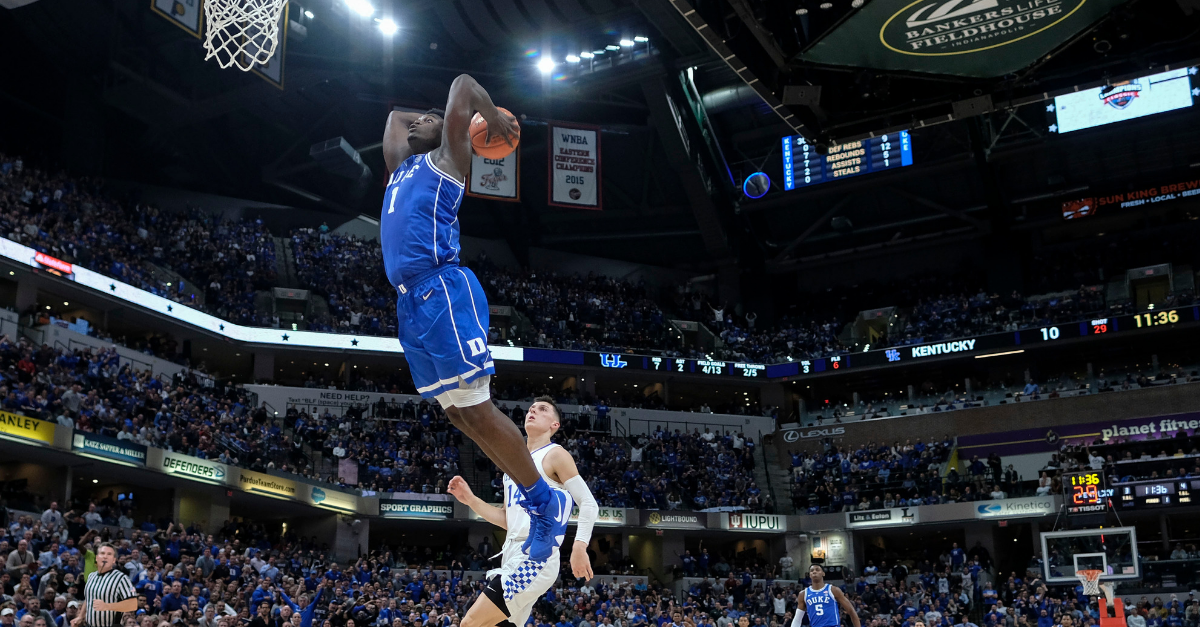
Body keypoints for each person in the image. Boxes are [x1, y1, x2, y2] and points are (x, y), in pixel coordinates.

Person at [380, 75, 567, 560]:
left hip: (442, 289)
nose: (416, 122)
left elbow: (462, 85)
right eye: (420, 120)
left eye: (431, 120)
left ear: (451, 136)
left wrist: (492, 117)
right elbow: (394, 118)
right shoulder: (402, 167)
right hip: (410, 301)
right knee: (459, 414)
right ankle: (537, 499)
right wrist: (430, 121)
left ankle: (546, 505)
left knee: (478, 407)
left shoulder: (449, 162)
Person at [445, 396, 599, 627]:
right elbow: (508, 520)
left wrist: (580, 546)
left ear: (554, 425)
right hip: (512, 551)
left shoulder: (555, 454)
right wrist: (471, 500)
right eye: (531, 408)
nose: (533, 411)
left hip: (536, 554)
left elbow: (588, 503)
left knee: (470, 623)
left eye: (542, 409)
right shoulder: (512, 466)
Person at [77, 544, 136, 627]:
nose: (105, 557)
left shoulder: (122, 578)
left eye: (109, 554)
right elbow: (88, 599)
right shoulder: (91, 576)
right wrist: (80, 616)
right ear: (97, 558)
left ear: (114, 560)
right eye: (102, 553)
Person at [790, 565, 859, 627]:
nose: (814, 572)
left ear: (823, 573)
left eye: (817, 570)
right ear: (810, 575)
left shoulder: (833, 590)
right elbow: (797, 619)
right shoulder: (803, 594)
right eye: (812, 570)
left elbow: (851, 611)